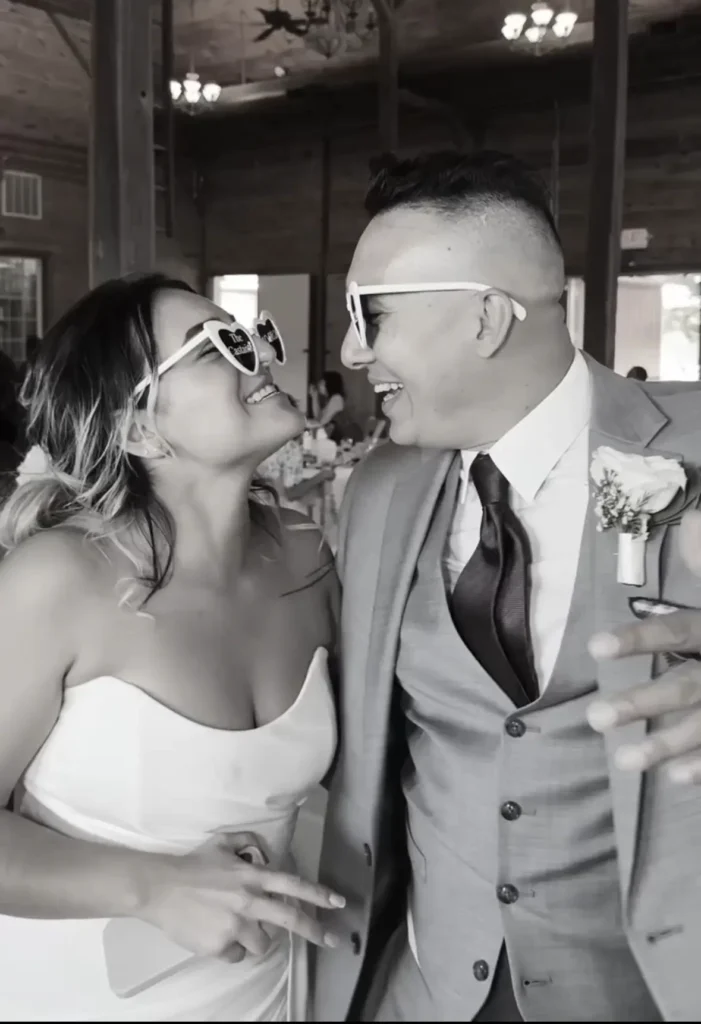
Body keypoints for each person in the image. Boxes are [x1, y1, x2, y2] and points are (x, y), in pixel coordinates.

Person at [312, 150, 701, 1022]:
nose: (348, 350)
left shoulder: (694, 446)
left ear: (485, 319)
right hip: (426, 987)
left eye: (369, 315)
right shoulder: (375, 490)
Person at [0, 273, 345, 1021]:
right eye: (219, 345)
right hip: (80, 999)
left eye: (250, 334)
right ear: (138, 429)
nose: (257, 355)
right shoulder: (60, 579)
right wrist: (153, 886)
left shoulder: (304, 557)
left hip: (267, 992)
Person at [309, 372, 361, 444]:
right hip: (334, 437)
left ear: (330, 384)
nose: (319, 385)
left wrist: (307, 423)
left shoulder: (336, 399)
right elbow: (318, 417)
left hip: (340, 439)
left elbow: (322, 423)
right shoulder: (331, 399)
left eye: (322, 383)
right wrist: (314, 396)